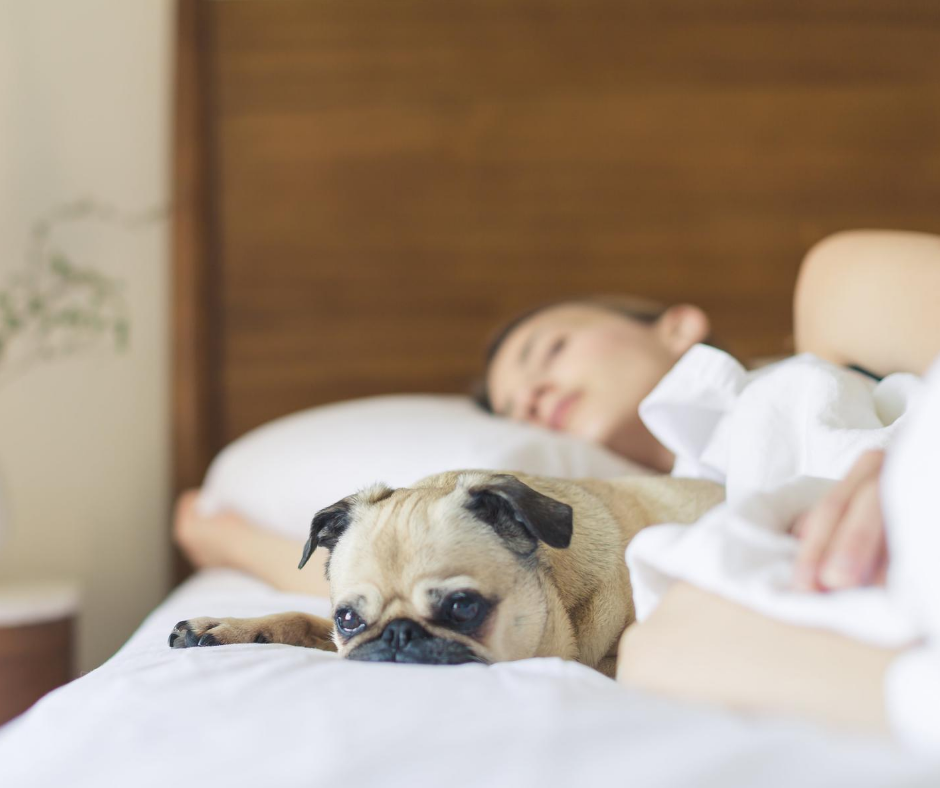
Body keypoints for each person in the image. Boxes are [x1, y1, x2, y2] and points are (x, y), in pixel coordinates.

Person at [173, 229, 940, 738]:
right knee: (661, 657)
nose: (533, 395)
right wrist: (226, 537)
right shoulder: (642, 568)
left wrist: (894, 463)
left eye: (550, 350)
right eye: (514, 408)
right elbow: (392, 578)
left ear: (677, 325)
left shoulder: (837, 321)